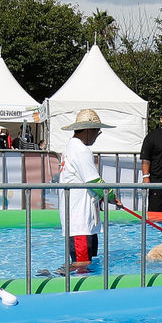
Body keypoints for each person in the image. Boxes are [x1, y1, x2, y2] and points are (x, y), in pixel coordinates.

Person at [57, 108, 121, 272]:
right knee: (82, 265)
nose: (97, 136)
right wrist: (112, 196)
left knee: (86, 261)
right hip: (80, 219)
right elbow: (93, 181)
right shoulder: (80, 149)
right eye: (97, 132)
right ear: (88, 130)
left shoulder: (71, 147)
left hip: (82, 217)